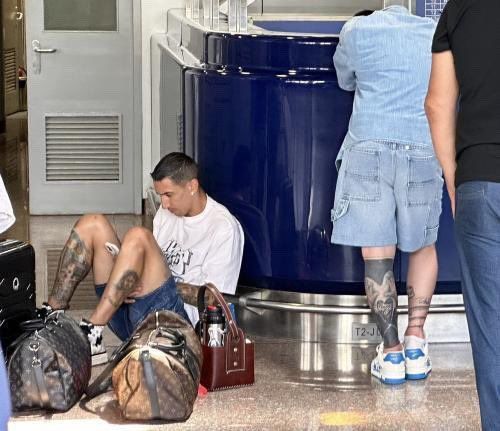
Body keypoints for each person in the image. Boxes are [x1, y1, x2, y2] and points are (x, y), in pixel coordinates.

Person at [40, 152, 244, 365]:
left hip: (176, 327)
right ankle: (51, 317)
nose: (164, 205)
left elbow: (216, 301)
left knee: (138, 236)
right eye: (160, 196)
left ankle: (92, 330)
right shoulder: (167, 215)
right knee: (93, 223)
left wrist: (144, 280)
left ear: (192, 186)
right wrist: (129, 280)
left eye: (169, 195)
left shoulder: (223, 227)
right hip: (137, 314)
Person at [331, 0, 441, 384]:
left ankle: (391, 354)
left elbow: (345, 79)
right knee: (423, 246)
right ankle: (416, 341)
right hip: (422, 147)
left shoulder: (356, 30)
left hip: (368, 148)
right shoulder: (434, 33)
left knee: (378, 254)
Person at [425, 1, 500, 428]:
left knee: (492, 330)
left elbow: (437, 105)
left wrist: (455, 179)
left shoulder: (459, 8)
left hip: (480, 181)